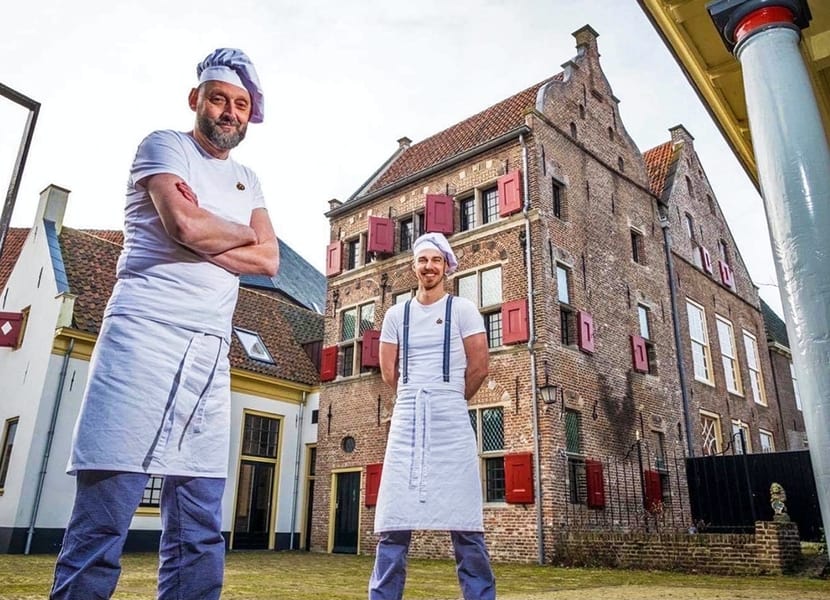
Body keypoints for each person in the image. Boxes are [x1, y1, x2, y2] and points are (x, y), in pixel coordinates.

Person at [50, 48, 278, 600]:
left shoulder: (249, 178)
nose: (229, 112)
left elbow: (269, 261)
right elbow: (182, 225)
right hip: (142, 335)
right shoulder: (165, 145)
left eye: (241, 105)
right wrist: (225, 233)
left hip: (209, 352)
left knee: (199, 522)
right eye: (220, 99)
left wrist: (209, 230)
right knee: (107, 509)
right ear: (196, 99)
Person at [369, 232, 496, 600]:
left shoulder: (463, 310)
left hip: (451, 419)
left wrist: (450, 397)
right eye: (423, 260)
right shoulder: (396, 314)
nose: (429, 267)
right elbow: (389, 371)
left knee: (466, 525)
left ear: (446, 267)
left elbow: (480, 366)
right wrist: (414, 398)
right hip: (408, 417)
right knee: (393, 524)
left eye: (436, 261)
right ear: (414, 265)